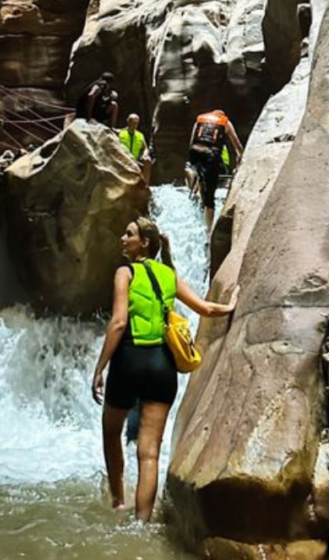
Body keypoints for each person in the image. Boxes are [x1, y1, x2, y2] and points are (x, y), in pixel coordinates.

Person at [92, 218, 239, 522]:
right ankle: (142, 524)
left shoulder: (125, 272)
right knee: (149, 453)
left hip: (129, 359)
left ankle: (118, 501)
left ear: (144, 242)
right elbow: (206, 308)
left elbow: (119, 322)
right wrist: (232, 304)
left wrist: (100, 367)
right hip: (162, 366)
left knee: (111, 433)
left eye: (129, 234)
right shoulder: (168, 274)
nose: (123, 238)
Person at [188, 109, 243, 230]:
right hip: (211, 156)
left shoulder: (200, 119)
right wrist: (241, 157)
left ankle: (197, 189)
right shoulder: (225, 122)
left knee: (199, 173)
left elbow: (192, 140)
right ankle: (209, 231)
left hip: (195, 153)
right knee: (210, 198)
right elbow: (237, 144)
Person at [118, 113, 153, 185]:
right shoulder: (120, 133)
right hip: (123, 160)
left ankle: (146, 185)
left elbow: (145, 148)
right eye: (132, 122)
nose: (134, 125)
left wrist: (144, 154)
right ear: (128, 121)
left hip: (135, 161)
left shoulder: (140, 135)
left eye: (136, 123)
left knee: (148, 160)